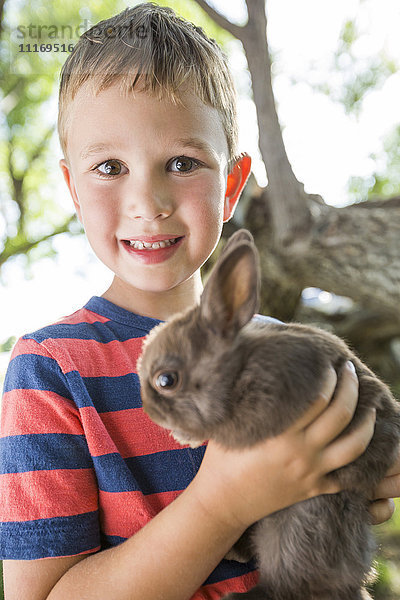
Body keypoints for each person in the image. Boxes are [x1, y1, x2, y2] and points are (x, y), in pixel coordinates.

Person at [1, 4, 399, 600]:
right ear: (73, 190)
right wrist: (226, 501)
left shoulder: (277, 345)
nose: (149, 200)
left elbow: (367, 478)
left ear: (232, 185)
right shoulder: (48, 370)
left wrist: (355, 467)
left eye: (182, 163)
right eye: (110, 166)